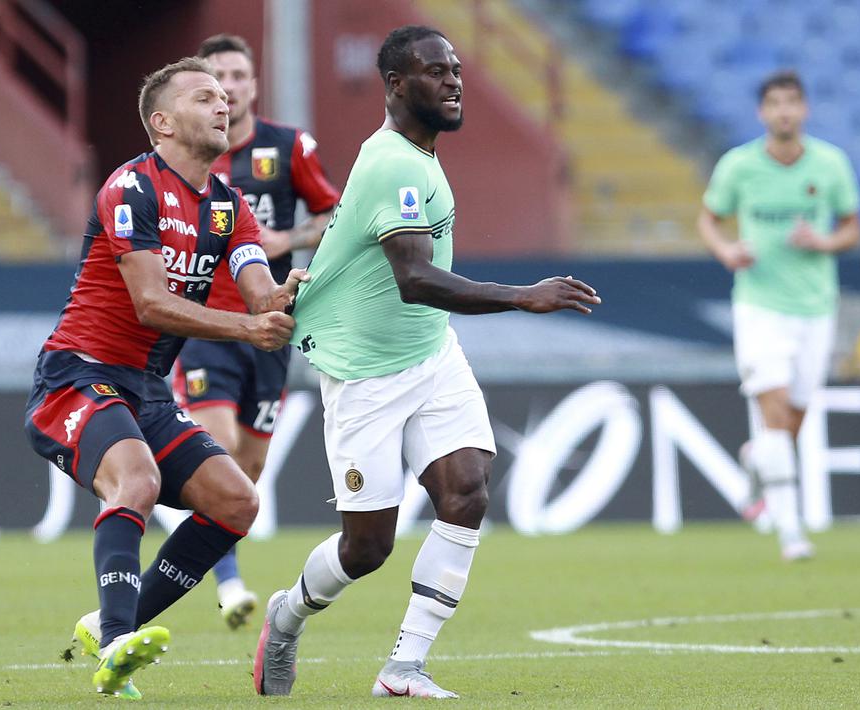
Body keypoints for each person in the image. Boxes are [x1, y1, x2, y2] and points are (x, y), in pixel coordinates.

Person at [252, 25, 600, 699]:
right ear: (395, 85)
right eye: (435, 71)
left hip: (430, 352)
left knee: (467, 489)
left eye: (456, 70)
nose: (453, 82)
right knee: (367, 549)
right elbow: (414, 278)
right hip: (365, 373)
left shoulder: (419, 155)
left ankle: (403, 668)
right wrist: (522, 296)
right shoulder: (394, 164)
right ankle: (286, 616)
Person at [23, 56, 303, 698]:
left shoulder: (228, 207)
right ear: (163, 122)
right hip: (78, 375)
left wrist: (293, 292)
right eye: (203, 96)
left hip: (145, 389)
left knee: (237, 502)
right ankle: (117, 642)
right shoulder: (132, 188)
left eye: (223, 96)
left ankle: (111, 625)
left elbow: (261, 297)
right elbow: (151, 304)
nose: (222, 103)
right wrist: (248, 329)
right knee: (139, 479)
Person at [170, 33, 340, 630]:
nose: (229, 88)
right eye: (217, 77)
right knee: (215, 453)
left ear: (253, 85)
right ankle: (229, 582)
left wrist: (285, 239)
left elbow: (334, 215)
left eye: (238, 75)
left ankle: (213, 562)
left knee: (248, 471)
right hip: (207, 328)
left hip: (270, 330)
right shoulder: (186, 154)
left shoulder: (290, 148)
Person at [697, 70, 860, 562]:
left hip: (815, 307)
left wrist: (824, 242)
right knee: (773, 412)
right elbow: (709, 218)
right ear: (762, 112)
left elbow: (852, 227)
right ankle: (791, 529)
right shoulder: (739, 165)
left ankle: (756, 461)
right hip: (759, 306)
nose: (784, 111)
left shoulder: (830, 163)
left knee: (791, 421)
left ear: (804, 109)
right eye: (775, 103)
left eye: (792, 102)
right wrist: (727, 251)